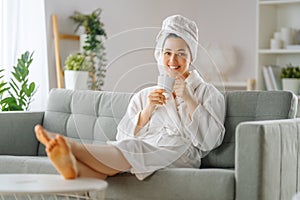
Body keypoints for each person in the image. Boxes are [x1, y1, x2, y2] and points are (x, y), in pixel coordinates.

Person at [35, 14, 225, 181]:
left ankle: (72, 146)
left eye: (181, 54)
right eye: (167, 53)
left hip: (180, 154)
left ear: (191, 58)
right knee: (123, 158)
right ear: (159, 55)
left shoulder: (208, 93)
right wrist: (148, 110)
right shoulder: (145, 96)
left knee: (134, 148)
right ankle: (74, 170)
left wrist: (190, 99)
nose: (173, 61)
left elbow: (211, 141)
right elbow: (122, 136)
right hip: (147, 147)